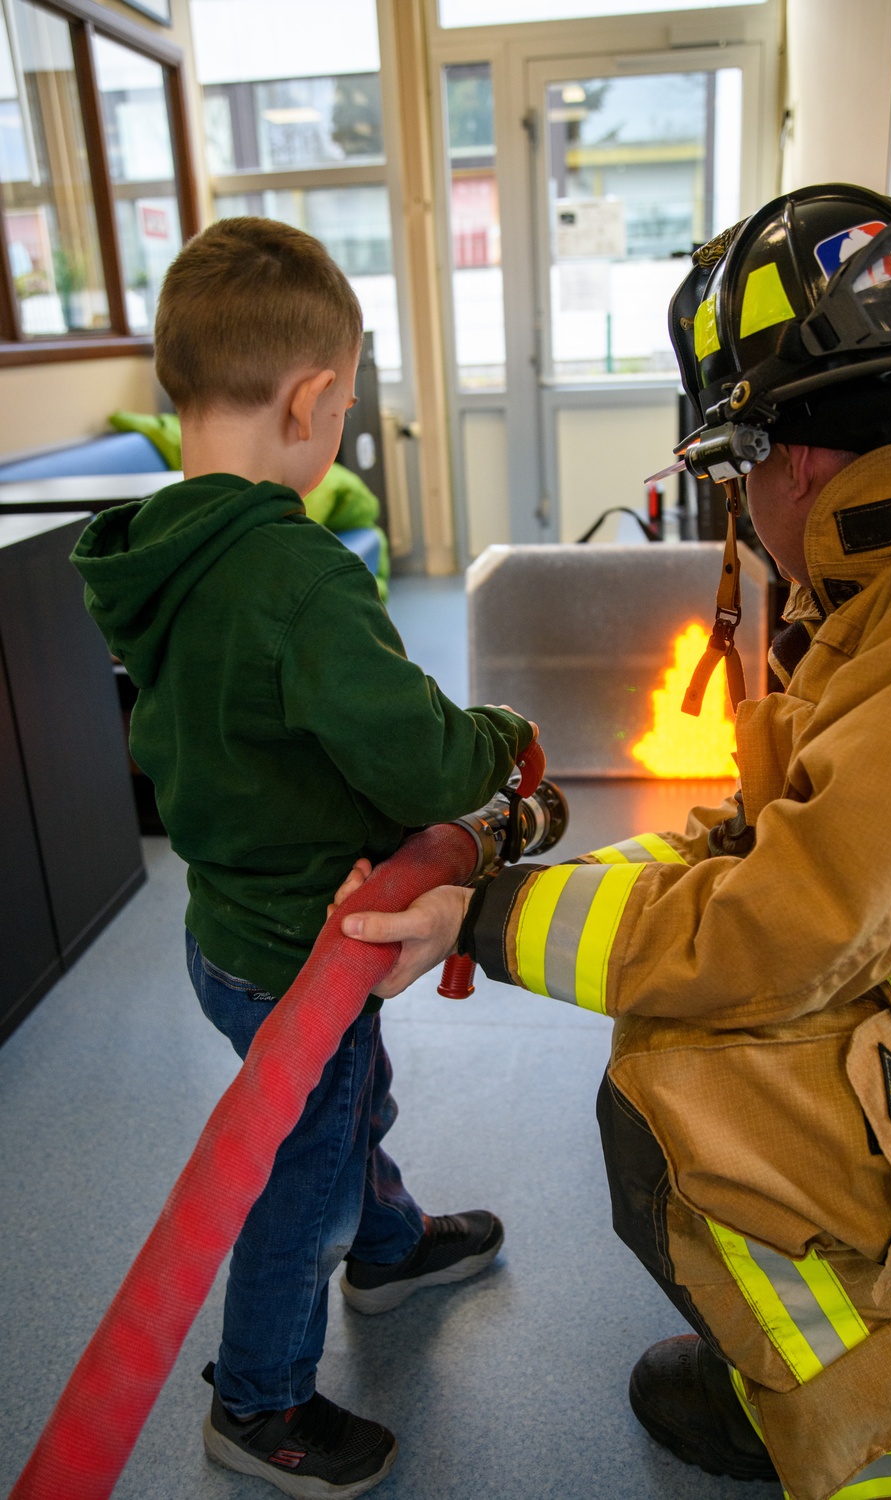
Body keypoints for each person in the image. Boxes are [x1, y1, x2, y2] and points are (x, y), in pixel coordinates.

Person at [337, 185, 891, 1500]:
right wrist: (500, 889)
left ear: (788, 458)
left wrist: (488, 922)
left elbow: (784, 923)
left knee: (694, 1091)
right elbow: (765, 842)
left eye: (734, 470)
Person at [71, 217, 535, 1498]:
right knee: (302, 1172)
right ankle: (260, 1398)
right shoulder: (295, 572)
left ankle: (389, 1249)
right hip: (304, 954)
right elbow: (424, 762)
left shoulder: (161, 550)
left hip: (222, 930)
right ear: (317, 399)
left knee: (338, 1113)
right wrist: (502, 735)